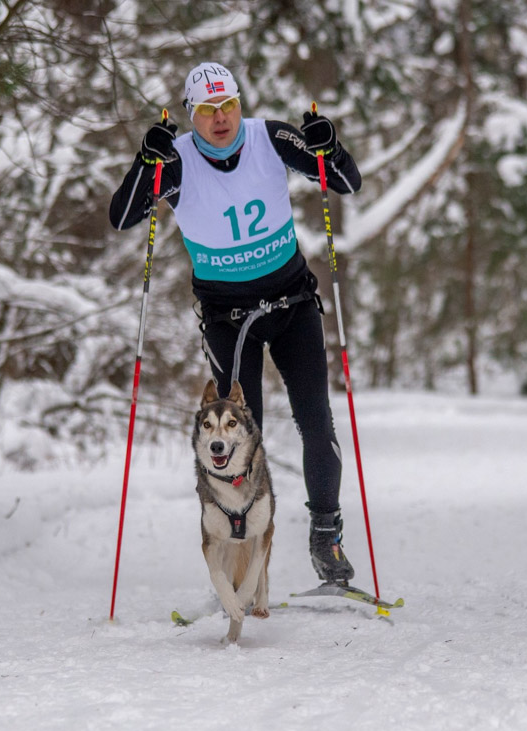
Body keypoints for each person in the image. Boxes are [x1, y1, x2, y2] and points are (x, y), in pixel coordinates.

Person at [108, 61, 363, 585]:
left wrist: (327, 146)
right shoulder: (174, 160)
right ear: (190, 115)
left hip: (292, 305)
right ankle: (244, 559)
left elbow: (344, 181)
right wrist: (144, 163)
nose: (220, 118)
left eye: (227, 105)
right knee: (241, 437)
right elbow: (122, 215)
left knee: (316, 419)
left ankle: (326, 537)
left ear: (239, 104)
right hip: (229, 319)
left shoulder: (269, 137)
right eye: (206, 110)